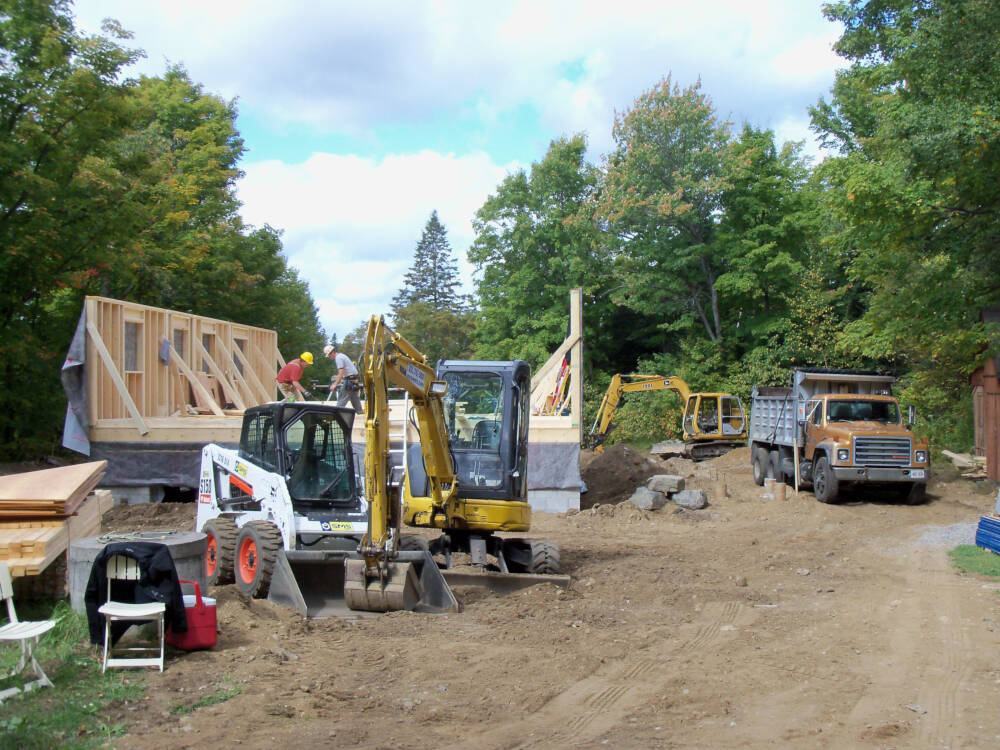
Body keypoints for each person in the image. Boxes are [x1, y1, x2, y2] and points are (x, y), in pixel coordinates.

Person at [324, 343, 362, 413]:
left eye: (329, 355)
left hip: (349, 380)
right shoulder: (342, 356)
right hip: (354, 379)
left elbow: (341, 373)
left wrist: (335, 384)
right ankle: (360, 412)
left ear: (332, 352)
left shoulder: (338, 358)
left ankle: (336, 414)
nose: (329, 357)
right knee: (355, 399)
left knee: (342, 399)